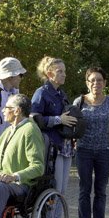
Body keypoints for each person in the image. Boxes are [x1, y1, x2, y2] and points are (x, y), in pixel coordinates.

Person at [72, 66, 109, 218]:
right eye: (92, 80)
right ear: (87, 82)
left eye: (99, 80)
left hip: (104, 152)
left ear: (105, 83)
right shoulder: (79, 102)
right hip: (83, 151)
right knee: (84, 189)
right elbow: (73, 125)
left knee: (101, 190)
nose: (96, 83)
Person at [30, 56, 78, 196]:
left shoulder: (61, 94)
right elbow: (34, 119)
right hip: (52, 146)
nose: (64, 74)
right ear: (50, 74)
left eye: (64, 71)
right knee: (54, 189)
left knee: (62, 190)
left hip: (65, 145)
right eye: (60, 71)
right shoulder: (41, 93)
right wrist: (58, 120)